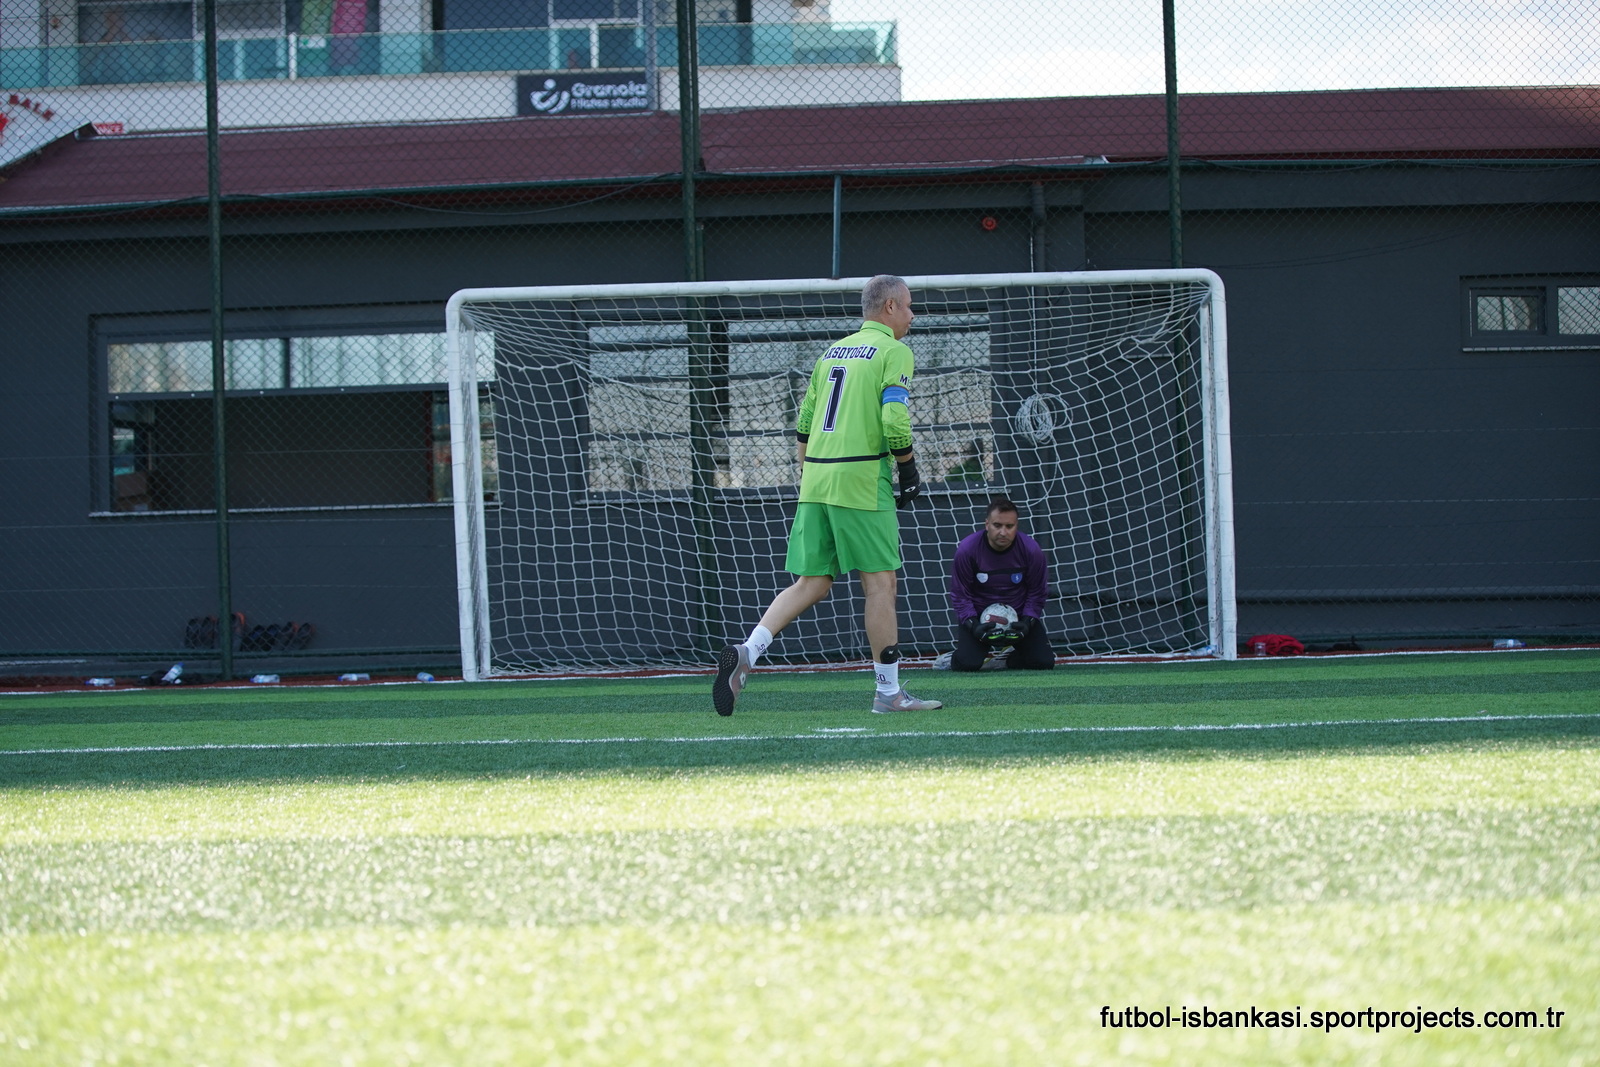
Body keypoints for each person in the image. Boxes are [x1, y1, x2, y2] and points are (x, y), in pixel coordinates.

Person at [713, 275, 942, 716]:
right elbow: (894, 419)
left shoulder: (832, 352)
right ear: (890, 307)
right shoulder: (894, 351)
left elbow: (804, 421)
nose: (913, 315)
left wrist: (809, 472)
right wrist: (909, 468)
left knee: (812, 582)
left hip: (816, 479)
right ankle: (889, 693)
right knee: (880, 584)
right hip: (861, 479)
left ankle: (748, 651)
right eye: (910, 306)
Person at [947, 497, 1055, 671]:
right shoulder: (968, 550)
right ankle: (950, 658)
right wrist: (974, 626)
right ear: (987, 524)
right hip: (980, 618)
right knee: (967, 664)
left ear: (1016, 526)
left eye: (1009, 526)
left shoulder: (1031, 550)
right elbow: (960, 595)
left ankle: (1006, 659)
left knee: (1043, 662)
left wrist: (1027, 622)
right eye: (997, 525)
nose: (1003, 532)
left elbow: (1037, 592)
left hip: (1017, 617)